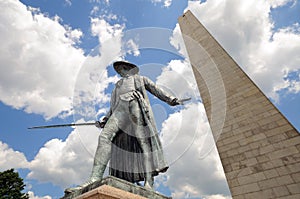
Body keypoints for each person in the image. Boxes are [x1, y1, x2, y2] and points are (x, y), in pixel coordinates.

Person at [65, 61, 180, 193]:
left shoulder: (140, 79)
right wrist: (106, 119)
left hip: (135, 105)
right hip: (120, 110)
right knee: (104, 137)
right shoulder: (117, 85)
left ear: (129, 68)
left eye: (121, 68)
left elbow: (156, 90)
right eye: (118, 69)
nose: (119, 71)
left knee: (143, 143)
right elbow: (113, 105)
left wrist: (171, 99)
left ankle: (149, 181)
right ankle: (94, 178)